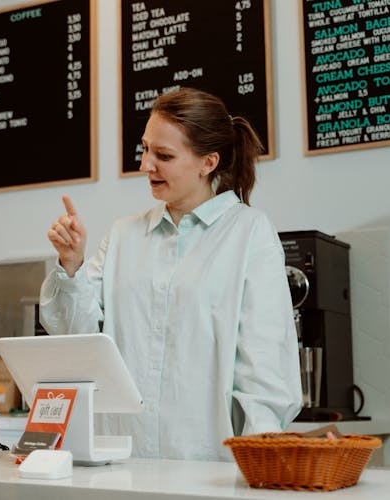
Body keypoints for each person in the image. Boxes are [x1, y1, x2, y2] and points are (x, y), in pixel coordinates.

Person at [39, 88, 302, 461]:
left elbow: (266, 366)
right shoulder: (122, 235)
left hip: (210, 467)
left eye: (163, 155)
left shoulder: (249, 233)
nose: (146, 165)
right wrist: (72, 264)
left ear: (208, 162)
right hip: (122, 463)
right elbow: (76, 339)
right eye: (145, 149)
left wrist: (259, 462)